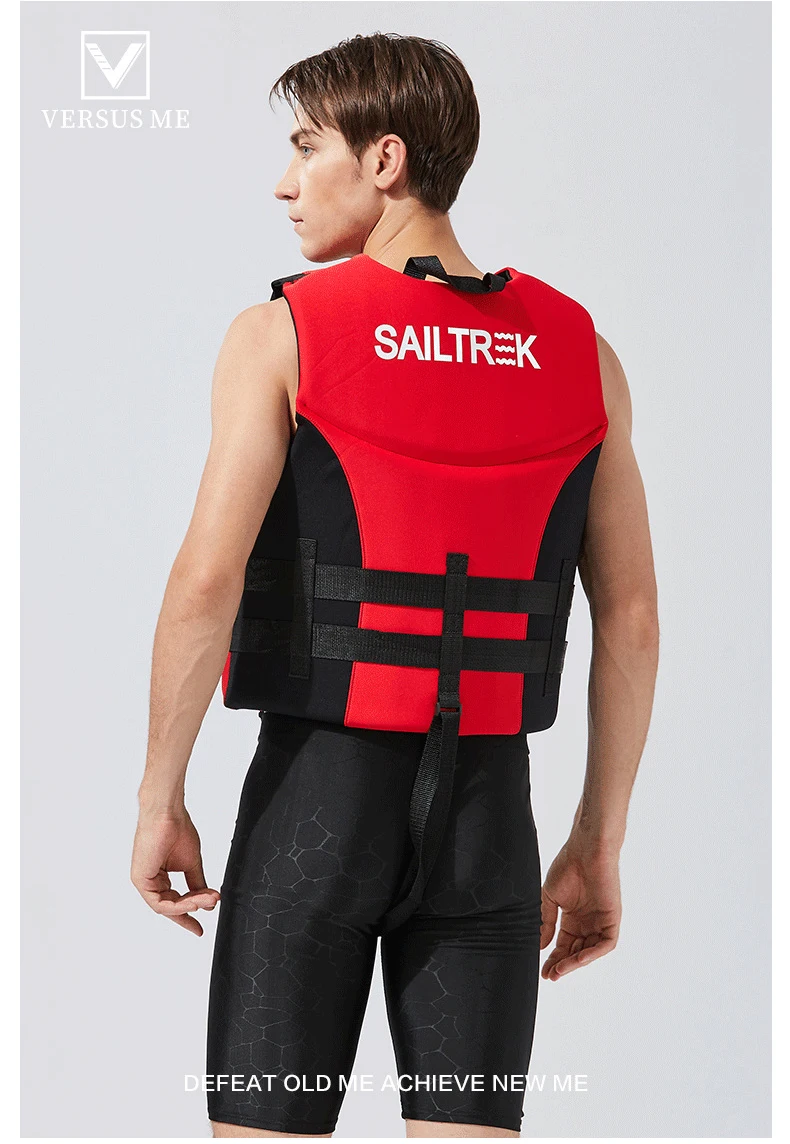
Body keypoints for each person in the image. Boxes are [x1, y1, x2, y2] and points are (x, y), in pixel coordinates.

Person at [131, 32, 659, 1140]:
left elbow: (205, 579)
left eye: (305, 147)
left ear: (383, 160)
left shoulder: (283, 335)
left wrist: (158, 799)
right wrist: (598, 838)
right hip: (490, 824)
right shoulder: (582, 353)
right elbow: (631, 613)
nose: (284, 183)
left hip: (313, 811)